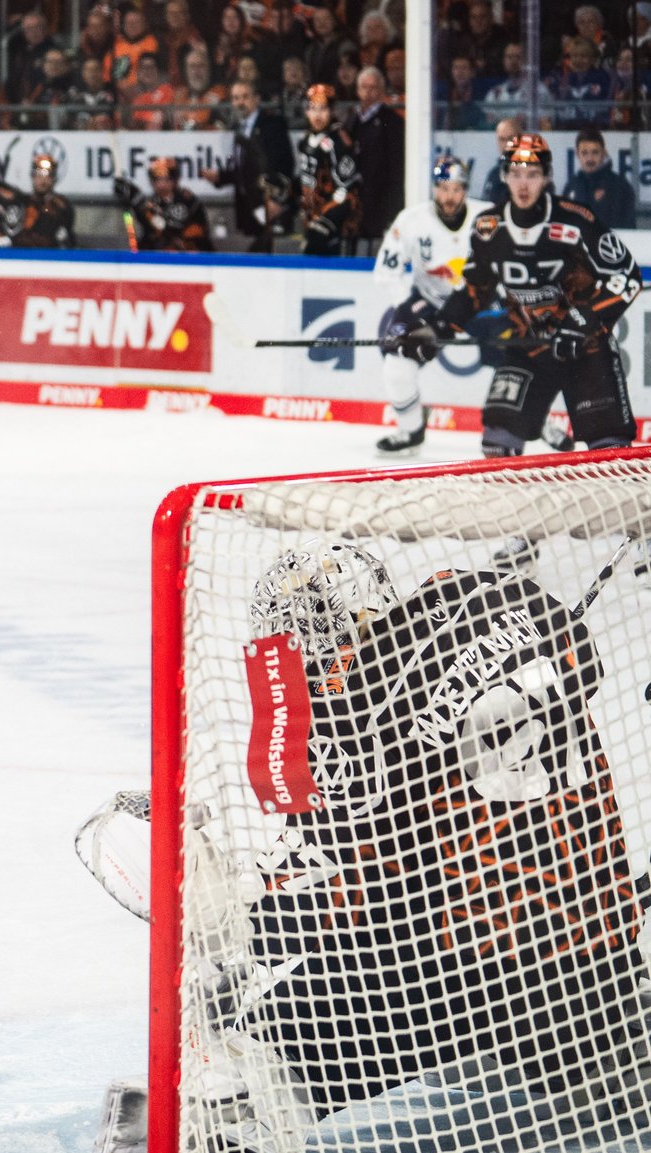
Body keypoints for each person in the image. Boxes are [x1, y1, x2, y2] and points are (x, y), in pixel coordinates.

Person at [211, 542, 646, 1143]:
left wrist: (247, 924)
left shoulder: (355, 715)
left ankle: (262, 1119)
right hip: (606, 950)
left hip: (495, 994)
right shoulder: (501, 595)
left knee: (270, 1031)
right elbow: (586, 661)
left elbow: (365, 900)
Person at [418, 134, 642, 467]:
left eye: (533, 174)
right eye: (516, 174)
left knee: (609, 452)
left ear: (548, 177)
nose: (524, 184)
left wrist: (580, 321)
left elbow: (626, 277)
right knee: (497, 443)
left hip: (585, 347)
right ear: (505, 176)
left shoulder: (576, 219)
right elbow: (474, 290)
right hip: (529, 347)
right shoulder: (489, 228)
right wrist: (435, 329)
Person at [370, 159, 489, 456]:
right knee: (396, 365)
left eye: (456, 189)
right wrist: (408, 309)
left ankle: (544, 423)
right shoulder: (411, 221)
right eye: (444, 188)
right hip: (431, 303)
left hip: (482, 303)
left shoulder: (488, 217)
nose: (449, 196)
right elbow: (386, 272)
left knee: (528, 355)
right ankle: (410, 430)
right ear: (434, 189)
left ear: (466, 190)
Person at [203, 81, 296, 254]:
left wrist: (278, 199)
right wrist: (220, 177)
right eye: (236, 98)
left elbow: (285, 164)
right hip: (249, 210)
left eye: (245, 97)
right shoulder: (237, 128)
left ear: (256, 99)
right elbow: (244, 171)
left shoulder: (272, 124)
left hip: (271, 208)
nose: (240, 102)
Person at [295, 85, 361, 257]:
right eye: (313, 109)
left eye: (323, 109)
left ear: (331, 111)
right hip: (313, 207)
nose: (317, 115)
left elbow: (346, 185)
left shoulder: (338, 138)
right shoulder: (305, 139)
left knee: (315, 243)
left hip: (337, 205)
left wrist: (332, 211)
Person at [344, 67, 404, 250]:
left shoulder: (392, 121)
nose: (368, 92)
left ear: (382, 91)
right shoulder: (350, 119)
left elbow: (397, 168)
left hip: (380, 200)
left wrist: (392, 207)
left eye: (374, 87)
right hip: (355, 198)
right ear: (357, 90)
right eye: (364, 87)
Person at [117, 157, 212, 252]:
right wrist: (133, 202)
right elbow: (146, 230)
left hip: (193, 257)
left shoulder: (188, 201)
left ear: (175, 180)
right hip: (160, 258)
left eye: (166, 179)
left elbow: (170, 229)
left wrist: (139, 200)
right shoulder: (151, 202)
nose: (161, 185)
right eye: (156, 180)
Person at [562, 129, 635, 230]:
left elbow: (629, 229)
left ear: (604, 153)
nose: (590, 159)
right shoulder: (571, 186)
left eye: (595, 152)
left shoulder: (619, 186)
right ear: (577, 154)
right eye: (584, 153)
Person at [13, 153, 75, 249]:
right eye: (39, 174)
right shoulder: (22, 202)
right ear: (33, 176)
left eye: (48, 175)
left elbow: (66, 238)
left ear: (54, 179)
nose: (43, 180)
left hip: (50, 257)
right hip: (22, 256)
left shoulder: (62, 205)